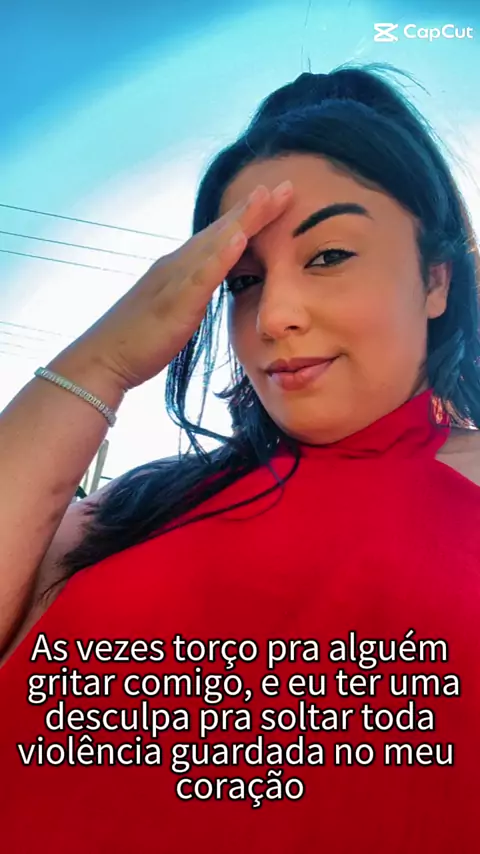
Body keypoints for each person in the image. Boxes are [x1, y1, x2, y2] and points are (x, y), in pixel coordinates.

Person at [0, 64, 479, 853]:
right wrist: (102, 361)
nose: (274, 316)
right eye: (244, 281)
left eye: (328, 255)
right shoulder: (128, 512)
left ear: (435, 280)